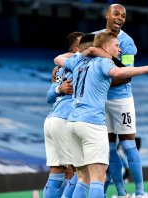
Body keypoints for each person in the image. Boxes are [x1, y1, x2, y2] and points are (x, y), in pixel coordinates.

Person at [57, 32, 148, 198]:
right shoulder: (103, 62)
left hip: (72, 122)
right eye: (116, 46)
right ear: (104, 47)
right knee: (98, 176)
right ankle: (139, 193)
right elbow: (119, 73)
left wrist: (87, 51)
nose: (119, 49)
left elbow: (57, 59)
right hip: (91, 122)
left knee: (82, 177)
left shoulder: (78, 61)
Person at [92, 4, 146, 197]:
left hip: (121, 100)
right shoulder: (94, 38)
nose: (120, 18)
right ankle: (122, 192)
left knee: (128, 145)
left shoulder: (127, 42)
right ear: (107, 15)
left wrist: (98, 84)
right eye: (116, 14)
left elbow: (127, 75)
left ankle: (140, 192)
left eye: (123, 16)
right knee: (109, 148)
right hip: (101, 102)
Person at [42, 31, 84, 198]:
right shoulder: (80, 66)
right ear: (75, 50)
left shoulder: (60, 69)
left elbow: (49, 97)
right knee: (77, 171)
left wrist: (59, 88)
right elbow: (48, 97)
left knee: (57, 171)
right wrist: (60, 89)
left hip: (51, 121)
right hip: (64, 120)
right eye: (84, 44)